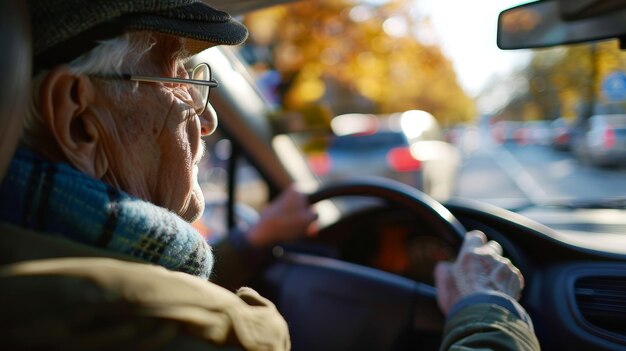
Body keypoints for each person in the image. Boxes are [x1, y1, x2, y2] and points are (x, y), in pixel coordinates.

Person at [0, 0, 539, 349]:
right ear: (78, 119)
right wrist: (487, 314)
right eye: (181, 77)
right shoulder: (186, 329)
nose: (208, 117)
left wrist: (252, 242)